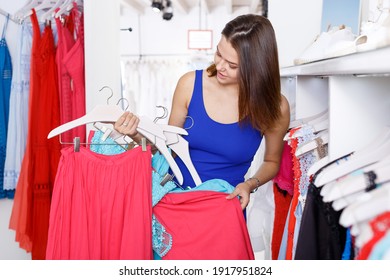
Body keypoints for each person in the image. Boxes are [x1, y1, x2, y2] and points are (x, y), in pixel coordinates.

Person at [114, 14, 290, 211]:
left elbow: (272, 161)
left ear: (256, 68)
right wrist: (137, 135)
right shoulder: (189, 85)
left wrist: (249, 185)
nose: (220, 66)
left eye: (232, 65)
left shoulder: (275, 107)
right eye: (218, 54)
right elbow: (167, 149)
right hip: (173, 202)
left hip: (224, 208)